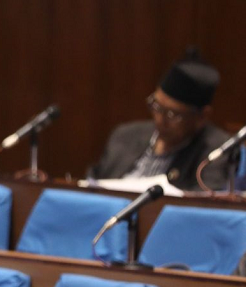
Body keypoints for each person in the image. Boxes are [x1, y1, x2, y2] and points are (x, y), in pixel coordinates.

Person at [89, 56, 230, 192]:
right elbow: (93, 183)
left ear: (202, 116)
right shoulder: (125, 135)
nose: (160, 119)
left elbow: (203, 199)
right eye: (156, 106)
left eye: (172, 114)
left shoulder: (217, 151)